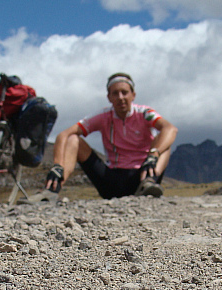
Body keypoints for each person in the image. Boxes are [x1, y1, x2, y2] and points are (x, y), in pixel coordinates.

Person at [33, 72, 177, 201]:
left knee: (164, 138)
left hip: (143, 175)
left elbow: (170, 128)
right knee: (73, 138)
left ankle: (149, 182)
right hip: (113, 180)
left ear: (133, 95)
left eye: (124, 92)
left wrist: (154, 154)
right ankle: (52, 190)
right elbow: (64, 134)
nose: (120, 97)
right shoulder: (102, 116)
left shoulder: (144, 113)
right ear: (109, 97)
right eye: (115, 93)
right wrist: (57, 165)